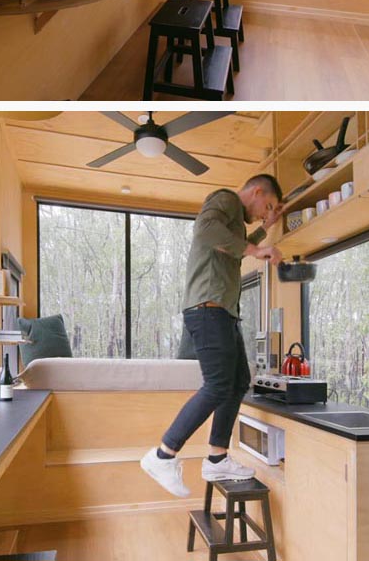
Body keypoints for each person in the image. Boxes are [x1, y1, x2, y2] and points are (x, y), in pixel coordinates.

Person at [140, 174, 285, 497]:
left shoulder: (237, 223)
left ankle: (217, 456)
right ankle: (162, 455)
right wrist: (258, 248)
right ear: (257, 191)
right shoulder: (226, 199)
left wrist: (265, 230)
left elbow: (233, 247)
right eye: (267, 206)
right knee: (218, 384)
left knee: (237, 382)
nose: (265, 212)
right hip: (208, 310)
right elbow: (206, 230)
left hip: (222, 312)